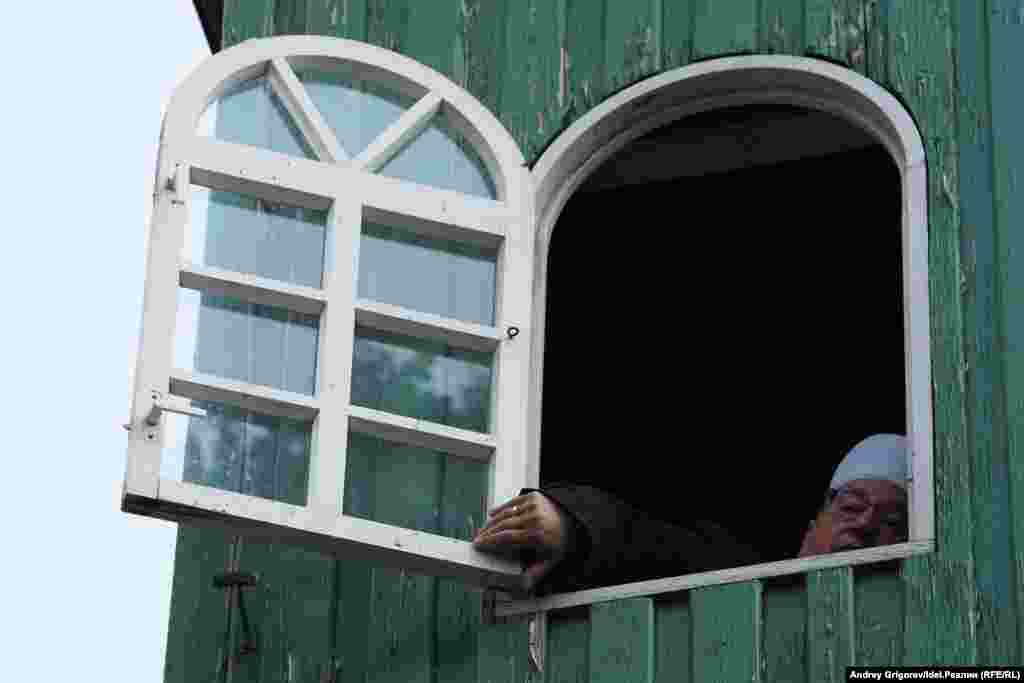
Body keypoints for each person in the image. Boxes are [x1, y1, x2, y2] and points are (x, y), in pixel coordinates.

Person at [473, 434, 910, 594]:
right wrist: (571, 526)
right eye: (853, 506)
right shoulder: (735, 570)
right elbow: (644, 540)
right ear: (812, 525)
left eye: (891, 522)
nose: (866, 524)